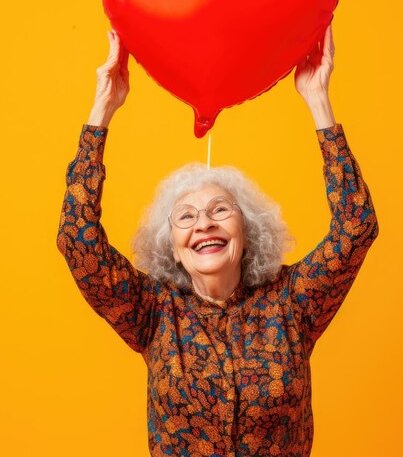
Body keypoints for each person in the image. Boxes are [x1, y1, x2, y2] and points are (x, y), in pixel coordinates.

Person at [57, 25, 379, 457]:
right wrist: (104, 107)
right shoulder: (151, 311)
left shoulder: (293, 302)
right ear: (172, 246)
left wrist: (318, 99)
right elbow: (77, 239)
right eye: (185, 217)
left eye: (220, 210)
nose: (204, 223)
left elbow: (356, 227)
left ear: (247, 232)